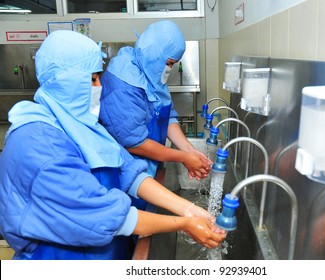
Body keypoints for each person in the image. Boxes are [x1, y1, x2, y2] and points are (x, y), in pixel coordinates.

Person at [0, 30, 225, 260]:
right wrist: (185, 224)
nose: (100, 87)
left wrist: (189, 210)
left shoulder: (81, 123)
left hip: (107, 251)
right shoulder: (39, 146)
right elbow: (102, 217)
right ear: (65, 80)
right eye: (92, 79)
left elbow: (128, 171)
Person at [99, 20, 212, 188]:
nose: (169, 69)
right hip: (125, 176)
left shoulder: (151, 71)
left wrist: (189, 151)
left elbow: (167, 116)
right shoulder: (122, 86)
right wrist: (183, 157)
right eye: (169, 63)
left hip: (147, 170)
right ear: (155, 54)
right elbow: (134, 143)